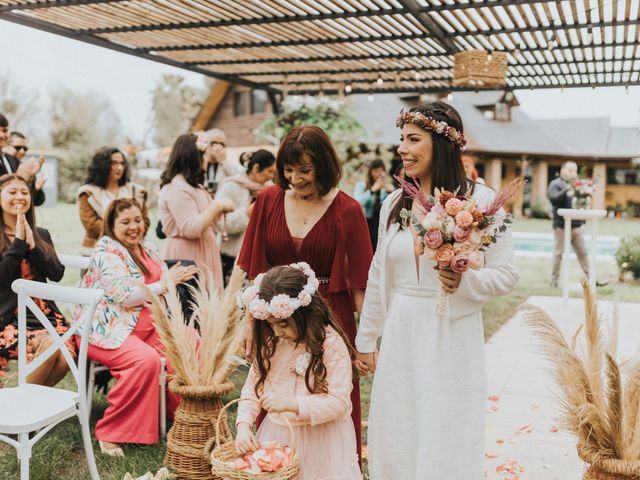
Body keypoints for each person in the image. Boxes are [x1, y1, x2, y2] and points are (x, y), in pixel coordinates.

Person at [355, 102, 519, 479]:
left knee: (446, 427)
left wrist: (466, 281)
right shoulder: (393, 203)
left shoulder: (481, 201)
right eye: (401, 139)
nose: (402, 149)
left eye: (413, 139)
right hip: (402, 331)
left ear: (442, 145)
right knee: (398, 425)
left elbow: (507, 276)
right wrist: (367, 338)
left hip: (451, 333)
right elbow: (379, 273)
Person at [236, 125, 372, 463]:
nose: (295, 178)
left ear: (323, 166)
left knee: (329, 399)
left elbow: (359, 284)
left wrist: (366, 344)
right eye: (288, 169)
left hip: (331, 319)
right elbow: (255, 271)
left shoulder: (348, 210)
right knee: (274, 395)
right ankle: (273, 465)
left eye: (305, 170)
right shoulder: (268, 200)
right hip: (278, 316)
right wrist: (249, 322)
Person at [75, 198, 198, 457]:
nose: (134, 227)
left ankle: (184, 414)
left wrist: (167, 286)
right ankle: (111, 432)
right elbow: (125, 296)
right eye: (126, 222)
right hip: (108, 331)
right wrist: (166, 283)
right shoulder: (105, 253)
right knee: (146, 361)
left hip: (149, 327)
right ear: (111, 225)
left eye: (138, 220)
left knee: (189, 340)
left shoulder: (149, 248)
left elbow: (162, 290)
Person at [236, 263, 361, 480]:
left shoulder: (330, 345)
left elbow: (339, 403)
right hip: (281, 435)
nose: (276, 331)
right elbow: (251, 390)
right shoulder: (273, 344)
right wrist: (244, 426)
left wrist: (293, 404)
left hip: (323, 440)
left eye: (283, 324)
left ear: (303, 313)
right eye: (271, 324)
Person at [0, 173, 71, 386]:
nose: (19, 196)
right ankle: (24, 407)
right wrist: (19, 244)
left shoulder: (41, 233)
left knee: (65, 355)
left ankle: (25, 406)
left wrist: (33, 246)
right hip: (6, 319)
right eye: (12, 192)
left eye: (24, 192)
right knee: (52, 346)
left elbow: (56, 273)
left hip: (43, 316)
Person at [158, 133, 234, 290]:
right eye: (204, 154)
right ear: (193, 157)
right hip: (187, 253)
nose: (207, 158)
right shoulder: (177, 188)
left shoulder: (195, 186)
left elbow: (208, 220)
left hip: (204, 249)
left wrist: (221, 210)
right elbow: (191, 228)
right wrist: (217, 206)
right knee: (191, 306)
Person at [215, 149, 276, 284]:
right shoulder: (230, 186)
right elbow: (221, 223)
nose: (271, 176)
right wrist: (247, 212)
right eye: (269, 171)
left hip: (262, 258)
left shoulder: (271, 190)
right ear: (256, 168)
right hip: (232, 257)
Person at [77, 147, 148, 255]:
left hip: (132, 252)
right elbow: (91, 225)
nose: (119, 167)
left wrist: (130, 234)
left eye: (122, 163)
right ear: (102, 165)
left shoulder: (135, 191)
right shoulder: (88, 192)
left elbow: (144, 220)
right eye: (114, 163)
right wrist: (123, 232)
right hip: (98, 253)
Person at [547, 161, 604, 288]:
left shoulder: (579, 185)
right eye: (570, 170)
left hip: (577, 226)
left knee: (583, 253)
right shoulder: (555, 184)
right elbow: (553, 199)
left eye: (575, 170)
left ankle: (592, 279)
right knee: (558, 254)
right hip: (561, 226)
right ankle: (554, 281)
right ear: (563, 170)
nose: (573, 173)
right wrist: (567, 188)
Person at [0, 115, 45, 206]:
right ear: (8, 145)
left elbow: (35, 201)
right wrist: (19, 179)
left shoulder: (14, 162)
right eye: (17, 147)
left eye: (5, 130)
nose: (1, 135)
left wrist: (30, 180)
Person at [353, 159, 394, 251]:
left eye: (381, 170)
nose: (379, 174)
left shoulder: (387, 186)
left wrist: (391, 192)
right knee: (367, 248)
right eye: (376, 171)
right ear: (371, 172)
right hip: (366, 221)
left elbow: (390, 205)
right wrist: (372, 190)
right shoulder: (361, 185)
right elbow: (357, 202)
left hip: (381, 222)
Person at [196, 129, 241, 196]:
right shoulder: (198, 163)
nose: (218, 147)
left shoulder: (230, 165)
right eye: (213, 143)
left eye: (221, 144)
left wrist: (223, 161)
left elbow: (238, 183)